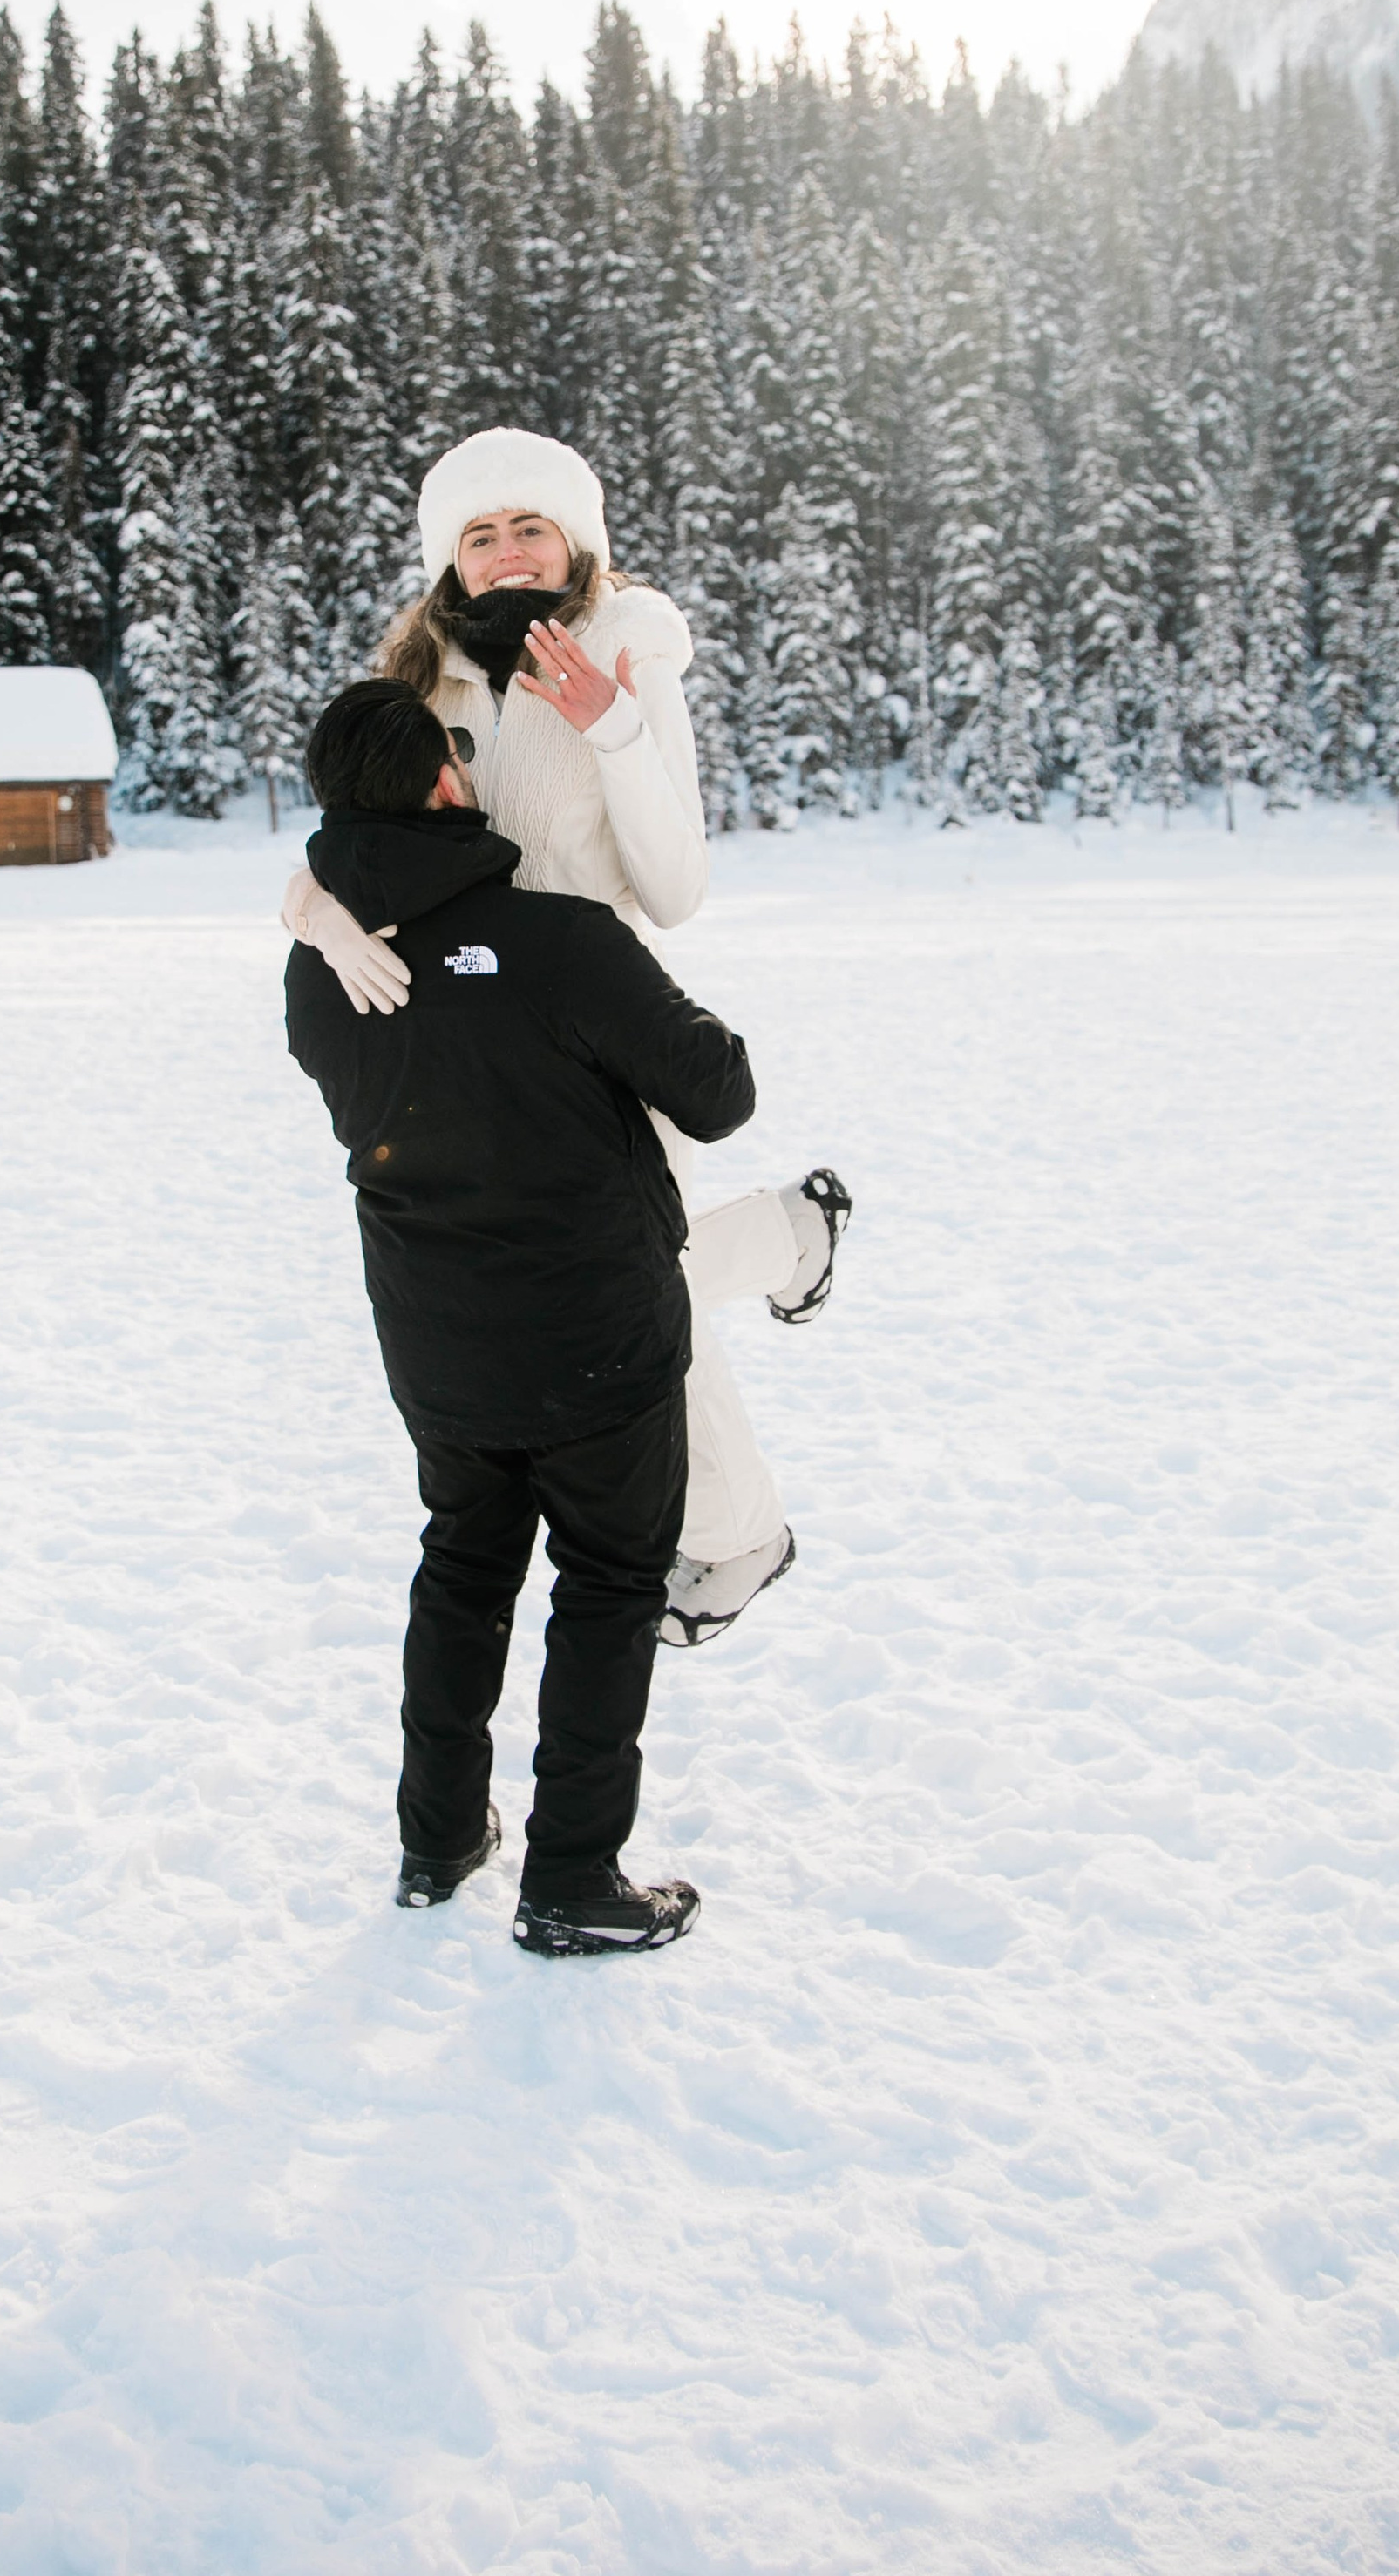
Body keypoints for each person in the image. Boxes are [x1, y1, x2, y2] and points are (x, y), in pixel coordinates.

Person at [282, 427, 848, 1647]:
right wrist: (320, 913)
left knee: (639, 1287)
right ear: (450, 560)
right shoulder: (418, 676)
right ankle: (795, 1234)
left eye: (526, 525)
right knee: (629, 1282)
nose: (503, 552)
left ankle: (741, 1531)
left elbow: (677, 882)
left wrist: (612, 728)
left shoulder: (626, 653)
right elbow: (361, 826)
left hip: (604, 1025)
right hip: (473, 1046)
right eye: (477, 535)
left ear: (575, 540)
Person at [286, 676, 758, 1956]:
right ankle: (573, 1878)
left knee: (463, 1570)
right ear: (448, 780)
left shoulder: (320, 971)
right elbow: (720, 1092)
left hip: (437, 1344)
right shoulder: (557, 938)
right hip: (596, 1339)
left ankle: (437, 1840)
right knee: (607, 1587)